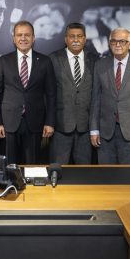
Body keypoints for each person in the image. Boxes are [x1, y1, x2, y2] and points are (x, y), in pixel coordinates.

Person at [0, 20, 56, 164]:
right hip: (9, 123)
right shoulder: (3, 61)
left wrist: (50, 122)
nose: (23, 38)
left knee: (32, 165)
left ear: (33, 38)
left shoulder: (45, 61)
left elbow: (51, 95)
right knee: (10, 165)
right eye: (19, 35)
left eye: (27, 35)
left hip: (35, 122)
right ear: (14, 38)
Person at [89, 28, 130, 164]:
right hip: (105, 133)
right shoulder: (100, 65)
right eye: (114, 41)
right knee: (106, 174)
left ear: (129, 44)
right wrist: (94, 129)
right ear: (109, 43)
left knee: (129, 175)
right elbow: (95, 99)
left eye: (122, 41)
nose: (117, 45)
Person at [49, 23, 96, 164]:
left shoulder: (94, 59)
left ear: (85, 39)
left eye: (79, 36)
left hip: (85, 127)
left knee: (83, 171)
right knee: (57, 170)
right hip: (60, 126)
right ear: (66, 39)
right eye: (72, 36)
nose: (76, 40)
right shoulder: (53, 59)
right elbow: (48, 93)